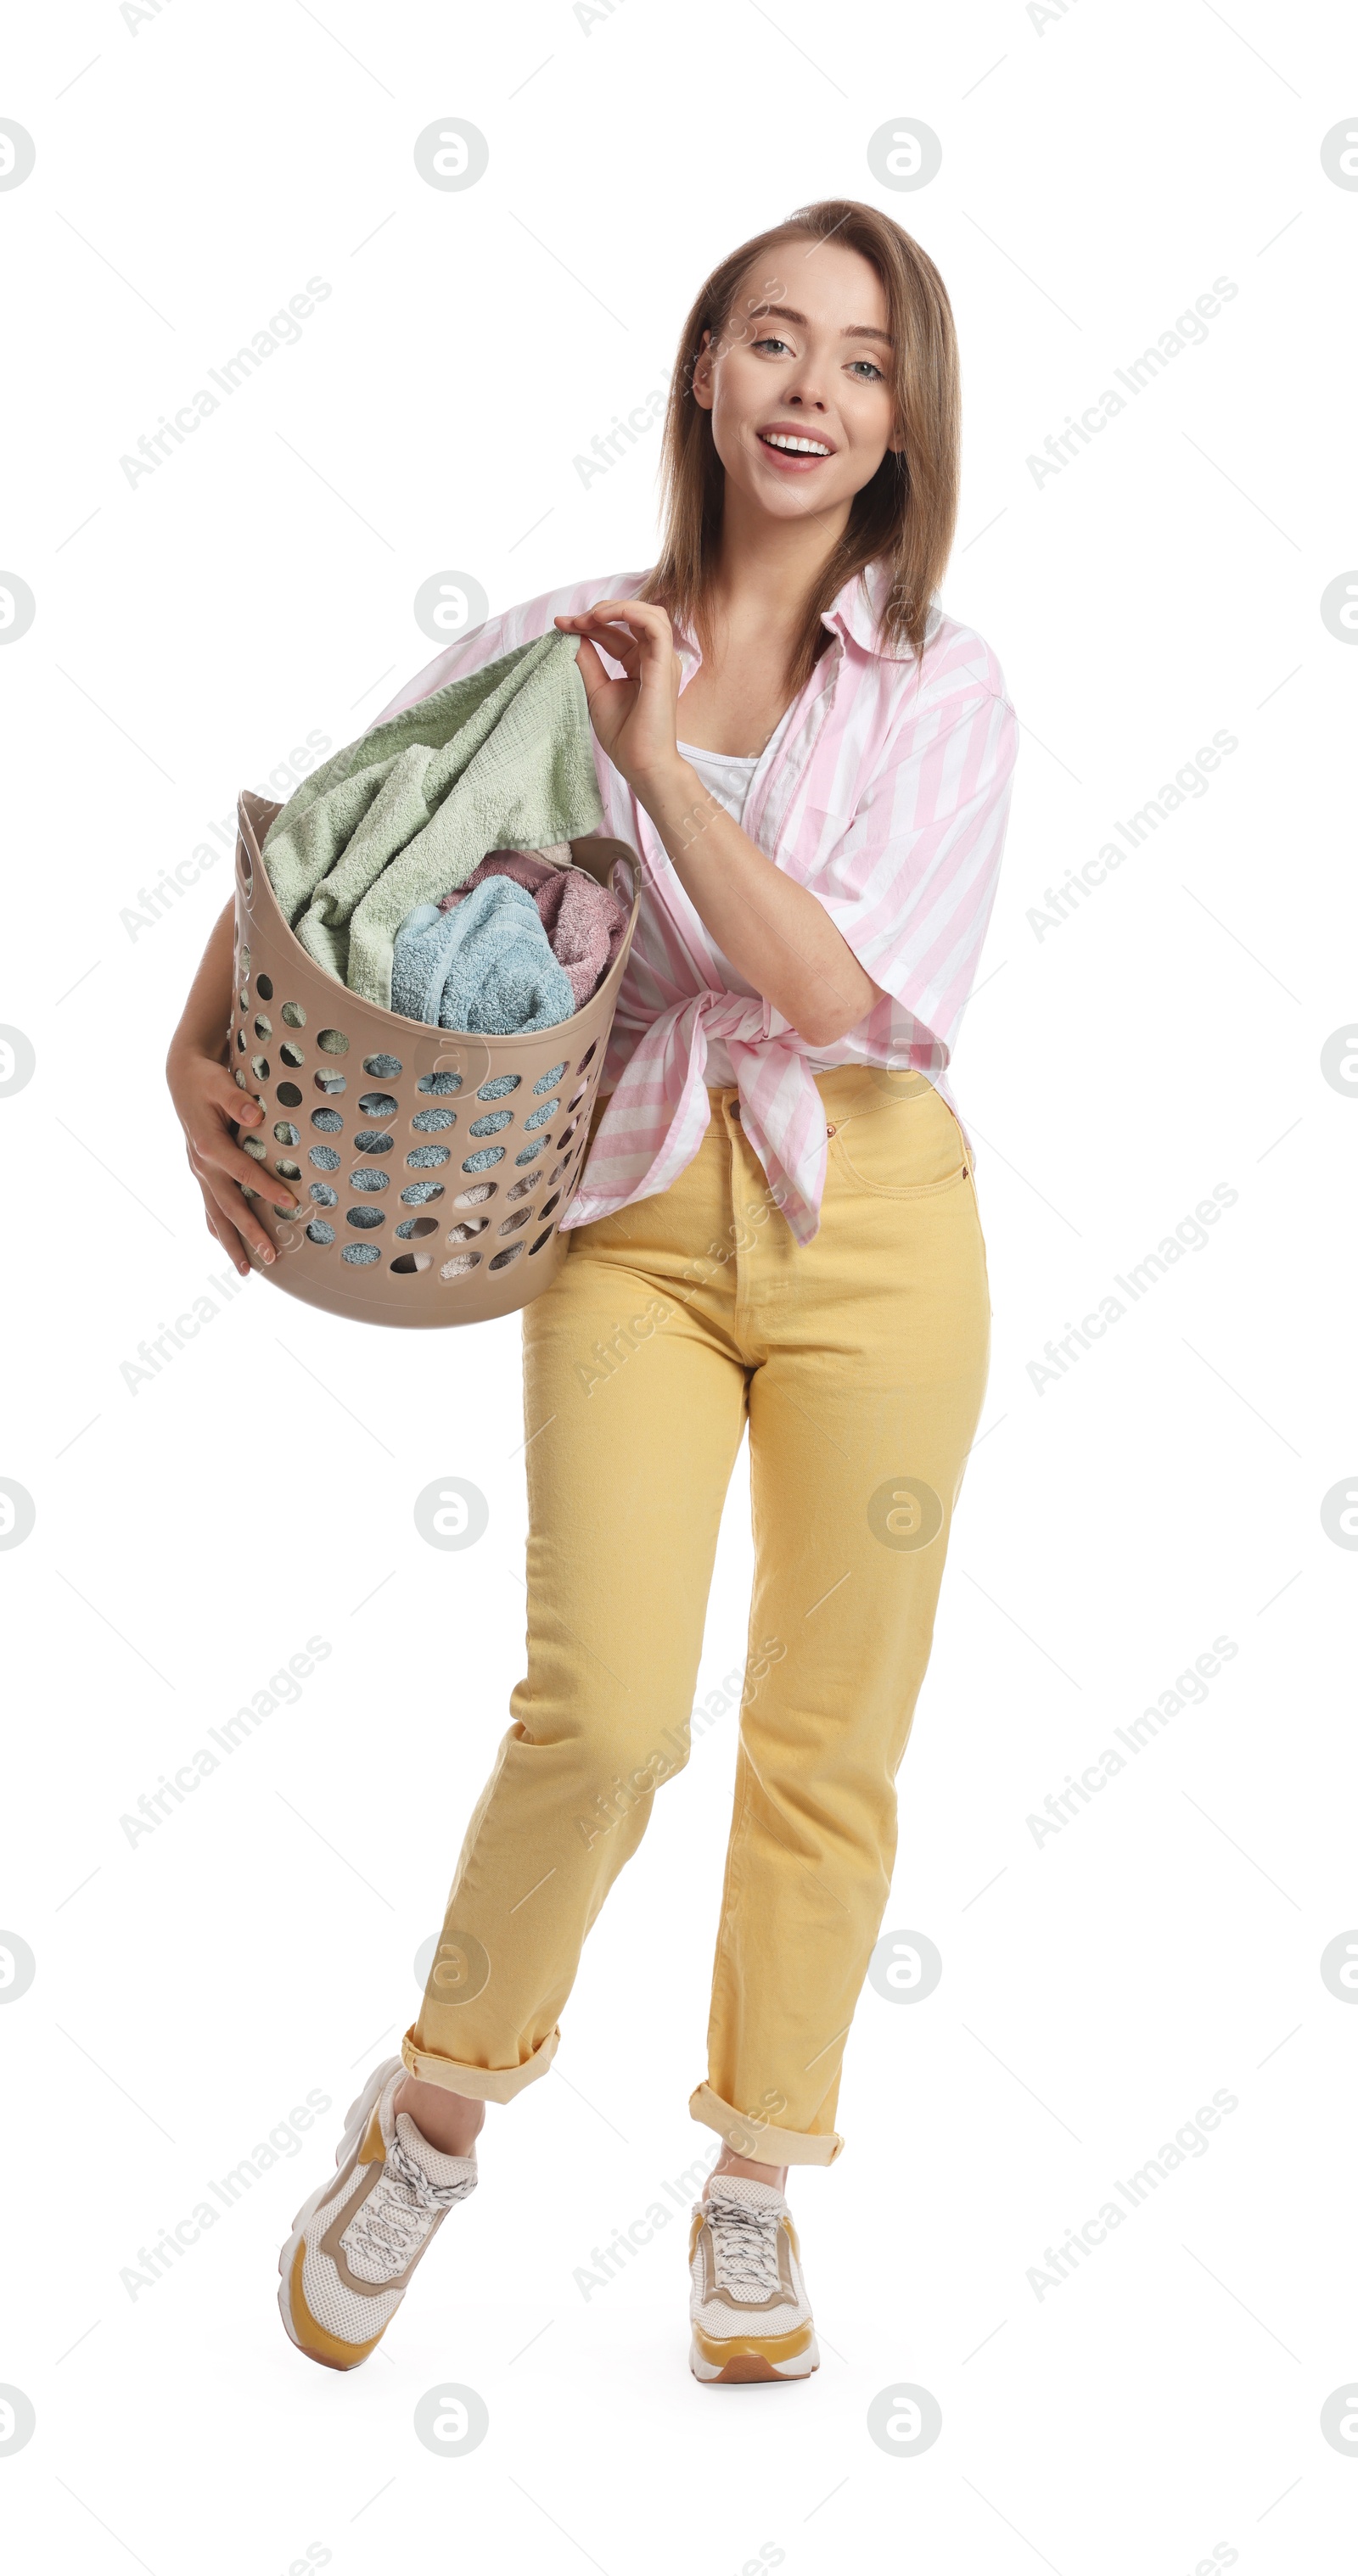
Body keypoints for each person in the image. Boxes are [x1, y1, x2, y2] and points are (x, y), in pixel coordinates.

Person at [166, 196, 1018, 2386]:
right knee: (612, 1713)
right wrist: (198, 1051)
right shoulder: (568, 632)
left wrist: (658, 778)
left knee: (831, 1735)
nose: (808, 390)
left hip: (877, 1224)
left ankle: (755, 2184)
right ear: (704, 378)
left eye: (855, 354)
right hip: (629, 1208)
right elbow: (340, 839)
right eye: (766, 341)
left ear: (907, 411)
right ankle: (433, 2111)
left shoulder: (943, 692)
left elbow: (839, 992)